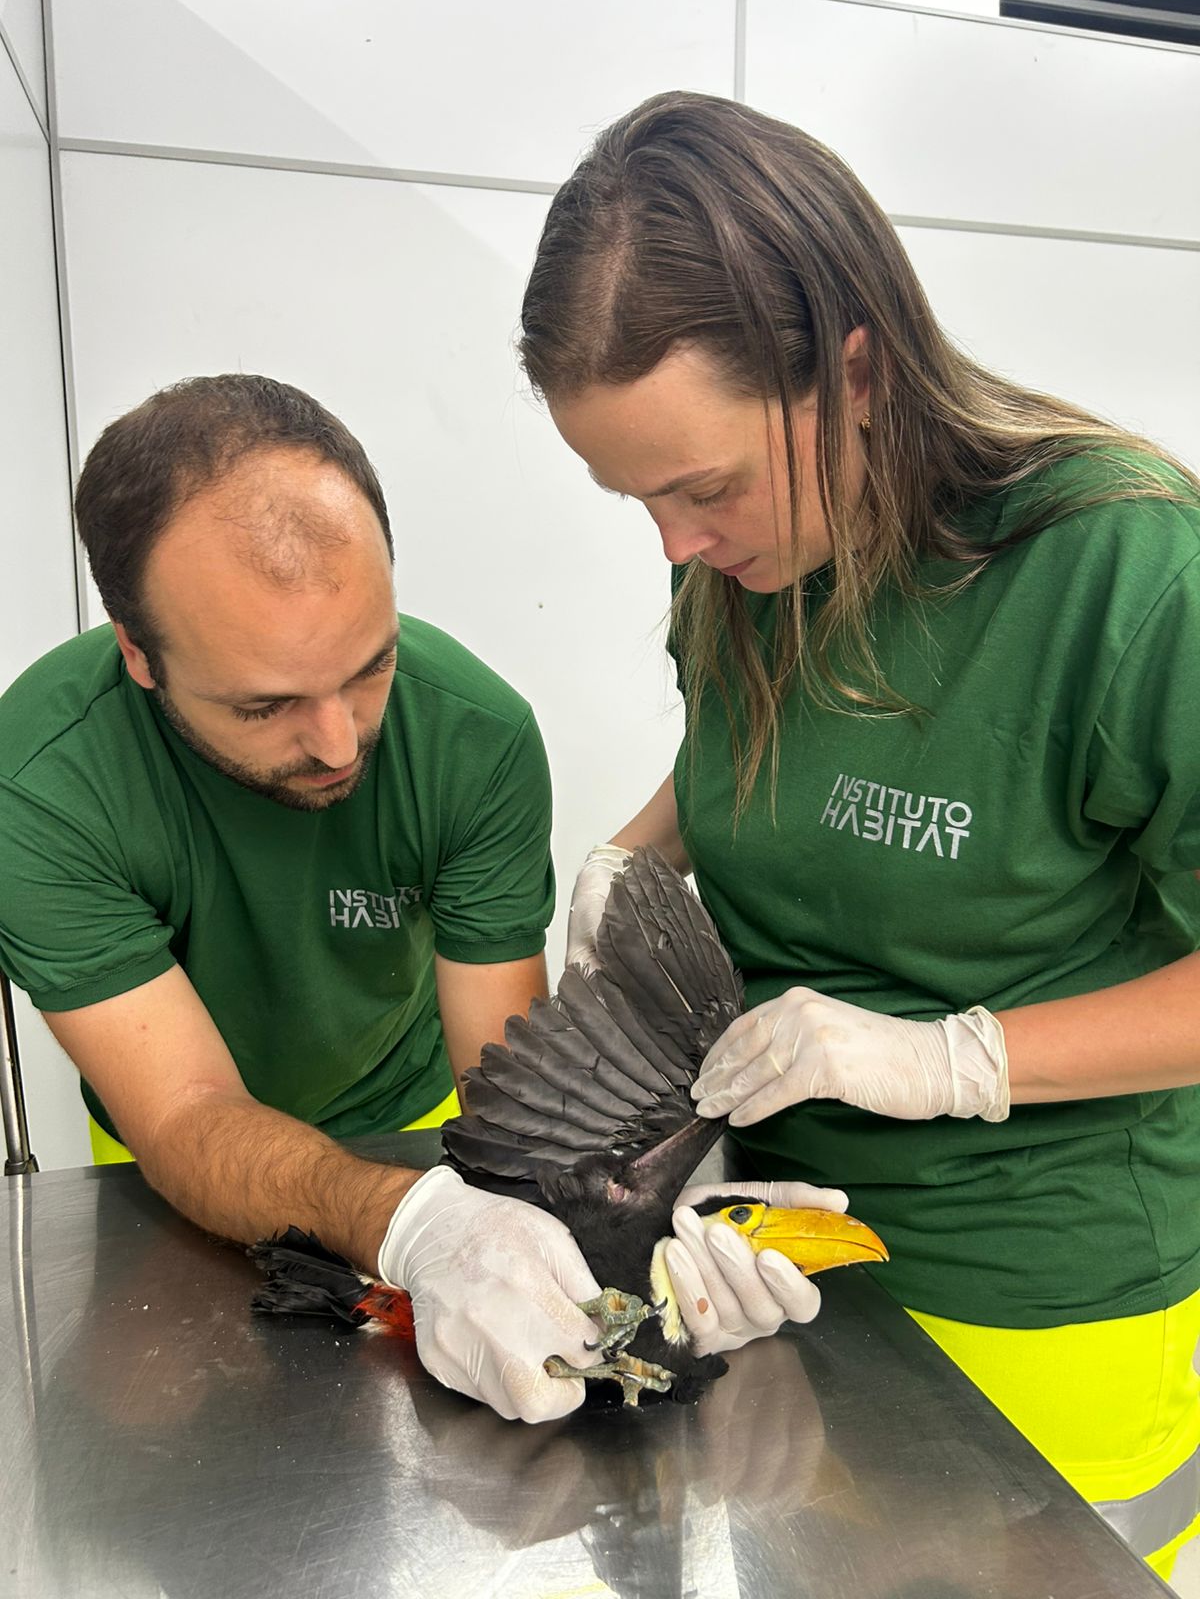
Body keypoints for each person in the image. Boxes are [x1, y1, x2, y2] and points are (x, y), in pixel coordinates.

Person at [523, 91, 1200, 1576]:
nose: (676, 547)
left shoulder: (1126, 572)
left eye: (703, 486)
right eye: (634, 500)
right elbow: (761, 767)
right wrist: (639, 852)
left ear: (857, 372)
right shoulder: (751, 563)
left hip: (1038, 1307)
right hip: (772, 1273)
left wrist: (947, 1061)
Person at [0, 373, 842, 1423]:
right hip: (172, 1164)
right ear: (139, 655)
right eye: (265, 706)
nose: (339, 743)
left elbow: (518, 1099)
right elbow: (183, 1111)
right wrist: (411, 1224)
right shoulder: (40, 781)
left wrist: (638, 1223)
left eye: (368, 668)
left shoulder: (472, 736)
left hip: (418, 1125)